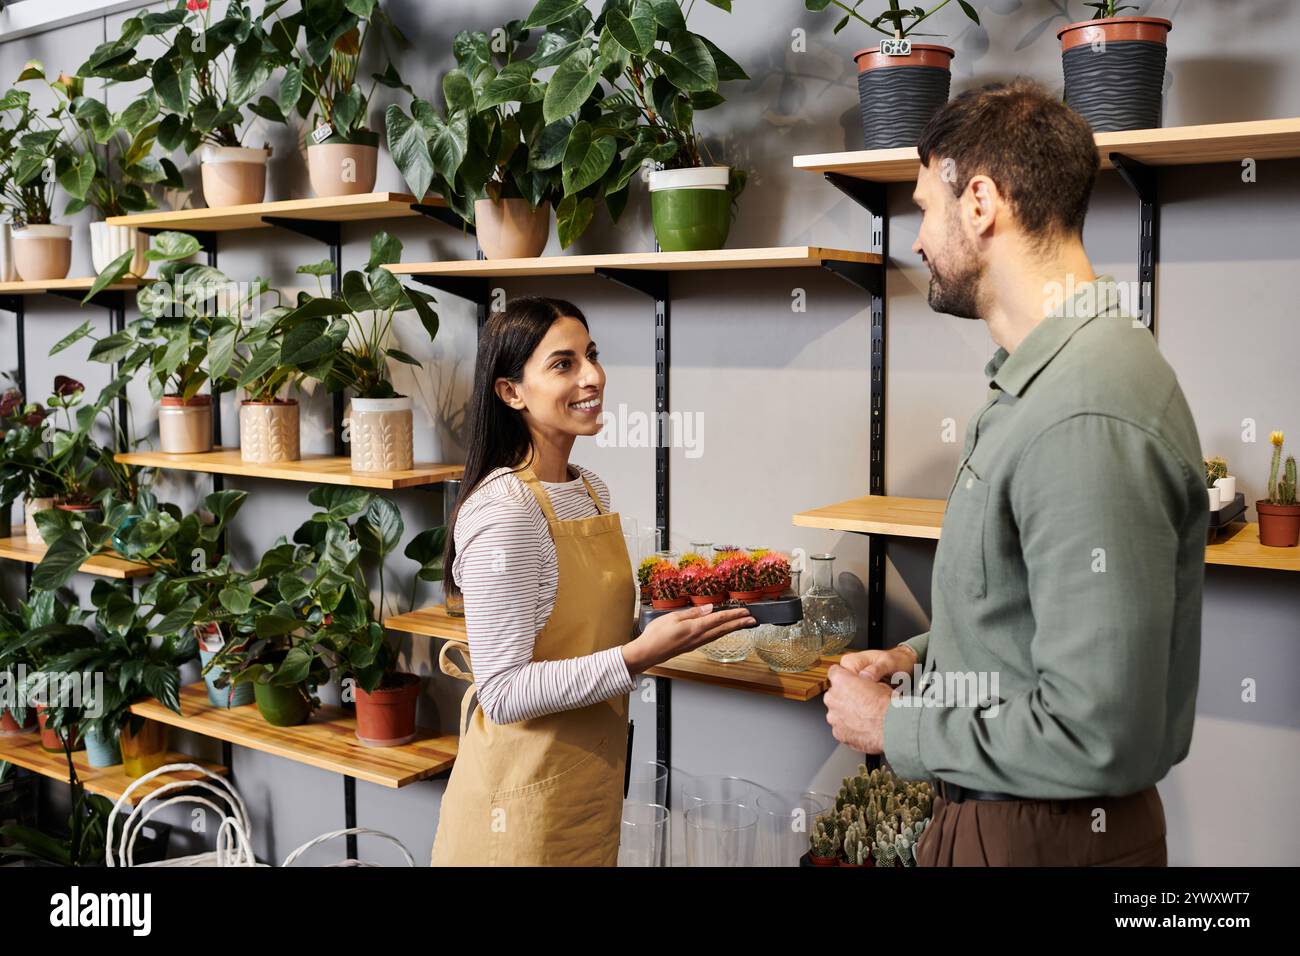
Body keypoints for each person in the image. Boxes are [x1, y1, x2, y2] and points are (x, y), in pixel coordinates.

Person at [823, 80, 1207, 866]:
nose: (919, 239)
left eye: (926, 207)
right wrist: (919, 659)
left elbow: (1095, 731)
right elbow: (1033, 614)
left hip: (1042, 839)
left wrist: (891, 727)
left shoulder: (1082, 411)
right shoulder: (1044, 380)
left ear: (981, 202)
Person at [429, 296, 755, 866]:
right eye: (564, 364)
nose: (593, 376)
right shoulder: (505, 510)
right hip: (517, 815)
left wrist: (674, 625)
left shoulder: (589, 489)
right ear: (511, 392)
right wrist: (636, 656)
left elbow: (583, 635)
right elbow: (503, 694)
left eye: (592, 355)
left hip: (585, 792)